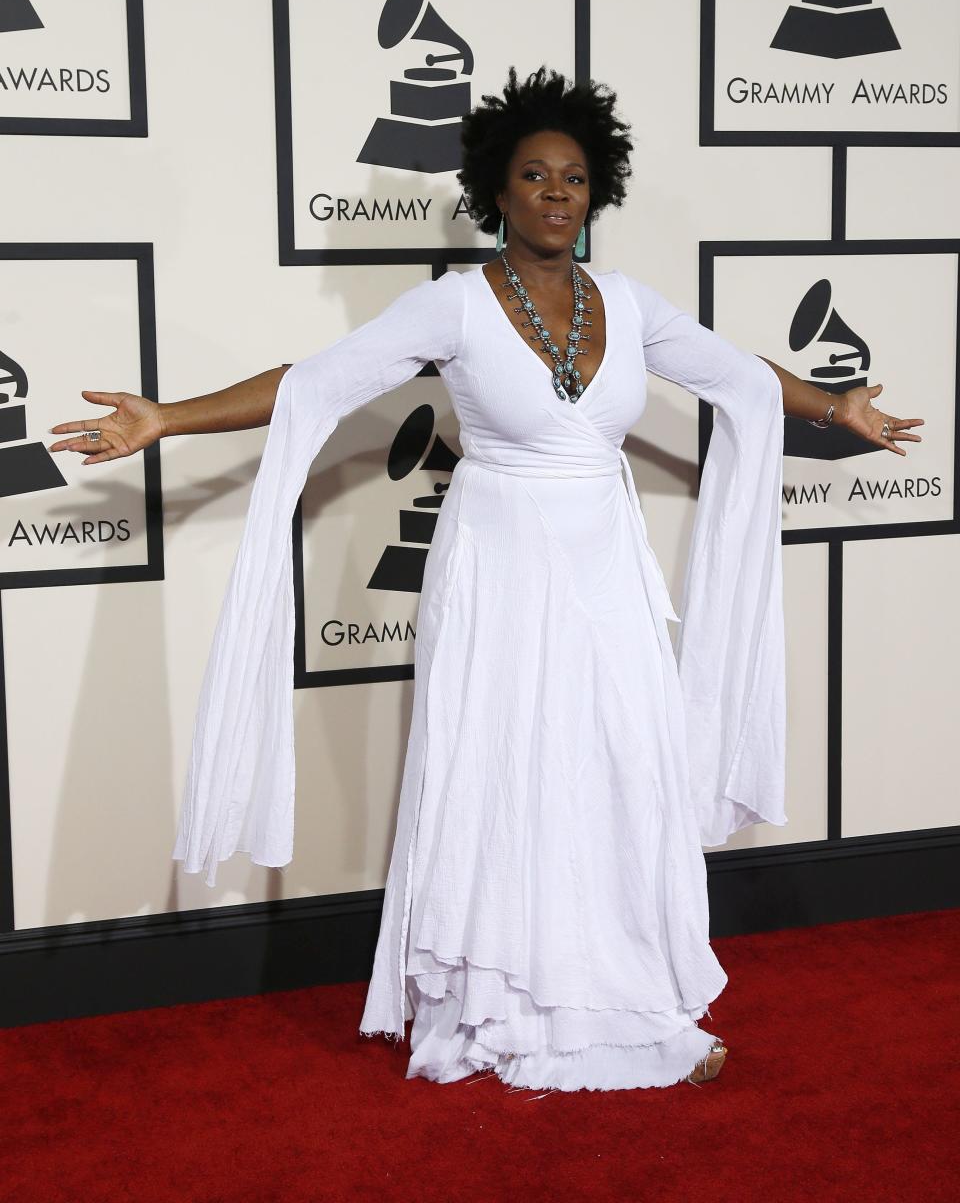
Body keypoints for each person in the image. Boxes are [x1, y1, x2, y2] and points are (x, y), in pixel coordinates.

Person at [49, 67, 923, 1092]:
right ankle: (495, 1002)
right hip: (499, 567)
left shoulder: (630, 305)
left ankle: (635, 996)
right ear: (496, 194)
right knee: (504, 772)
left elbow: (735, 374)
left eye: (574, 177)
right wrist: (168, 417)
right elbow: (316, 382)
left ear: (598, 193)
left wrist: (835, 406)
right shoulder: (455, 308)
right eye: (534, 176)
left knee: (622, 772)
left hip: (604, 563)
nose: (556, 193)